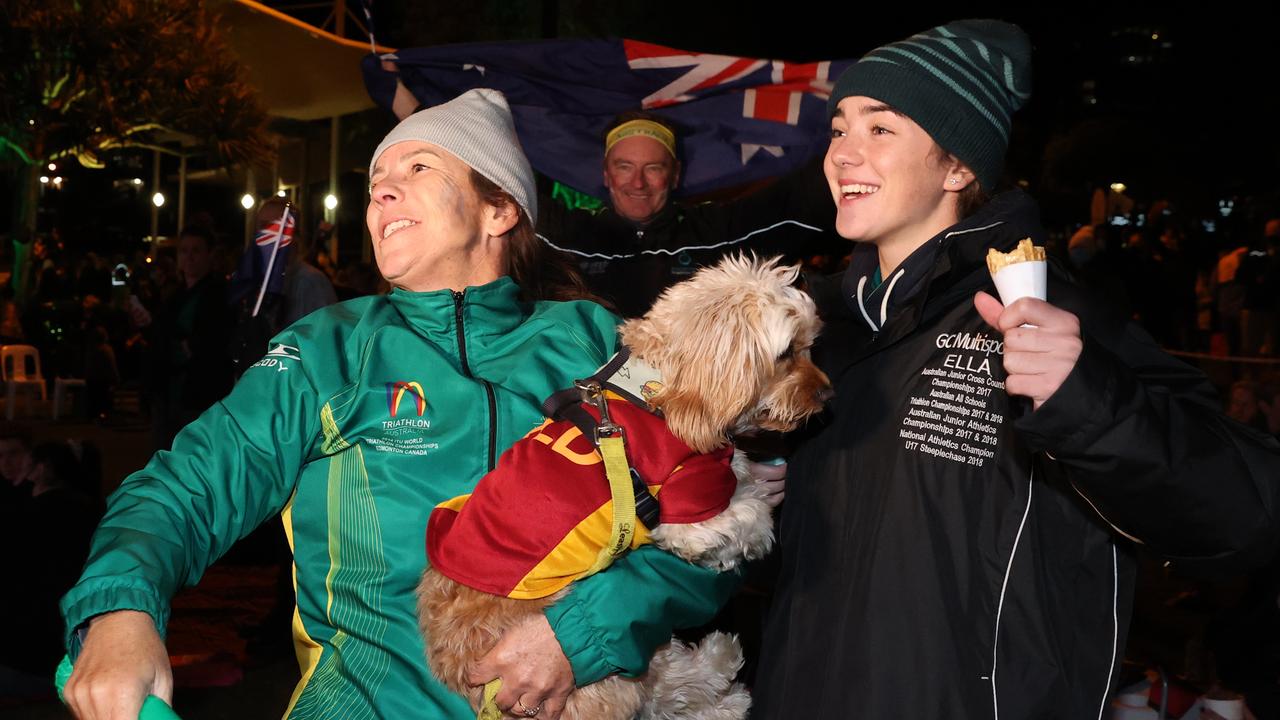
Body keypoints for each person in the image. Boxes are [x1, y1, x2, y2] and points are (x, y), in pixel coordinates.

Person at [59, 88, 736, 720]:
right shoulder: (330, 349)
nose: (382, 190)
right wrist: (121, 609)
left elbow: (712, 527)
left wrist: (581, 634)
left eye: (416, 167)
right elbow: (185, 488)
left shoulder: (597, 344)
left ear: (499, 210)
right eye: (378, 181)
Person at [751, 20, 1280, 719]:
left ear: (958, 167)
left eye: (880, 130)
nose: (843, 154)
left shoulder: (1045, 310)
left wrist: (1088, 400)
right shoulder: (816, 330)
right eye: (841, 128)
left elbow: (1248, 514)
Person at [537, 111, 843, 317]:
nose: (638, 183)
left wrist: (850, 144)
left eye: (653, 168)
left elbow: (797, 199)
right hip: (591, 404)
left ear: (675, 175)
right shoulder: (573, 236)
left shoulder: (713, 232)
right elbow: (505, 198)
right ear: (607, 174)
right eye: (624, 167)